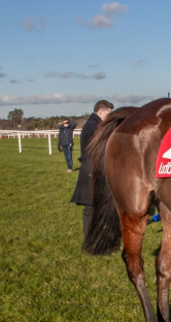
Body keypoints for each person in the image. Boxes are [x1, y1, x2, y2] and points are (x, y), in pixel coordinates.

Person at [70, 100, 114, 239]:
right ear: (100, 112)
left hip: (92, 169)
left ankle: (95, 236)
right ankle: (90, 238)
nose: (109, 117)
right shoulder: (93, 126)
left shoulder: (94, 124)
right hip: (91, 171)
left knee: (95, 207)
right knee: (91, 207)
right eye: (108, 114)